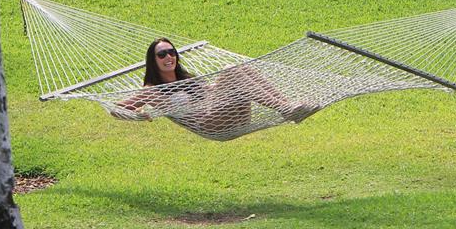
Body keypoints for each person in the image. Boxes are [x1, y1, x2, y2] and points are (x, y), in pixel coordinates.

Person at [113, 38, 318, 132]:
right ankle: (285, 109)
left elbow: (209, 92)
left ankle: (288, 107)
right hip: (210, 125)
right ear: (153, 60)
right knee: (231, 71)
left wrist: (222, 85)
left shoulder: (185, 78)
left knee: (235, 69)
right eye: (162, 54)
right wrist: (136, 114)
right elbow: (116, 109)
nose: (169, 56)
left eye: (172, 52)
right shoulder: (152, 90)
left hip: (232, 115)